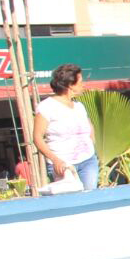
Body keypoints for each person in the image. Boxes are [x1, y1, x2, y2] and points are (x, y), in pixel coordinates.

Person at [36, 63, 98, 192]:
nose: (83, 85)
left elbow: (89, 126)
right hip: (63, 165)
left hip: (88, 161)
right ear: (70, 85)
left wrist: (92, 144)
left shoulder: (79, 106)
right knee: (72, 200)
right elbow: (37, 137)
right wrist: (55, 160)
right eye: (80, 81)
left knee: (90, 198)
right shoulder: (47, 107)